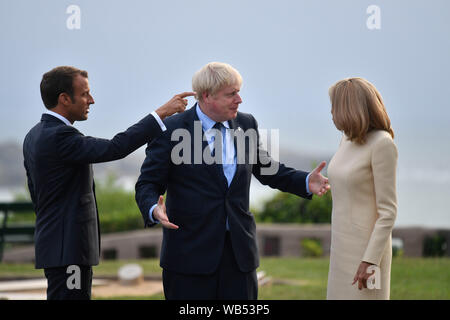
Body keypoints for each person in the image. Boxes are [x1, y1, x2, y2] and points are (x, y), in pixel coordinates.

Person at [135, 62, 330, 300]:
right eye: (231, 94)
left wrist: (305, 180)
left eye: (238, 92)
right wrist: (154, 209)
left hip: (240, 256)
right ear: (207, 96)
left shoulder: (246, 124)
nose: (239, 100)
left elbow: (266, 168)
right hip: (188, 257)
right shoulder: (171, 129)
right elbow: (147, 183)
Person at [23, 66, 194, 300]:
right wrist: (160, 114)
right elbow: (116, 147)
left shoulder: (34, 135)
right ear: (64, 99)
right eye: (84, 94)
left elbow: (36, 194)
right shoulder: (60, 137)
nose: (91, 100)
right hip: (69, 251)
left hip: (55, 247)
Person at [326, 77, 398, 300]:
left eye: (334, 106)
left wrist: (370, 260)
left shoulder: (382, 144)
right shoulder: (346, 140)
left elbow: (388, 212)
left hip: (367, 253)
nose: (331, 112)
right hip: (340, 247)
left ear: (348, 108)